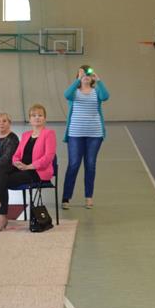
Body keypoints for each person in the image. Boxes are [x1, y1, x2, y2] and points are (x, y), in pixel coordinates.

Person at [0, 104, 57, 232]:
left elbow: (48, 157)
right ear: (30, 119)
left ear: (45, 118)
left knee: (2, 181)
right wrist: (17, 163)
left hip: (37, 171)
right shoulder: (26, 135)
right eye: (34, 115)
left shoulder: (49, 134)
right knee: (2, 168)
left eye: (40, 115)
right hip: (22, 168)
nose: (37, 118)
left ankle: (1, 215)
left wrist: (29, 166)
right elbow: (16, 155)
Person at [62, 65, 110, 210]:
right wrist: (78, 79)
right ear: (78, 77)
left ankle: (89, 197)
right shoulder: (74, 92)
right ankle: (66, 197)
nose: (86, 77)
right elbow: (66, 94)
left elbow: (105, 96)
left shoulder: (97, 91)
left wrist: (99, 80)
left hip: (94, 134)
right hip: (75, 134)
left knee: (90, 164)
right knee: (74, 164)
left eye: (88, 74)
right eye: (82, 74)